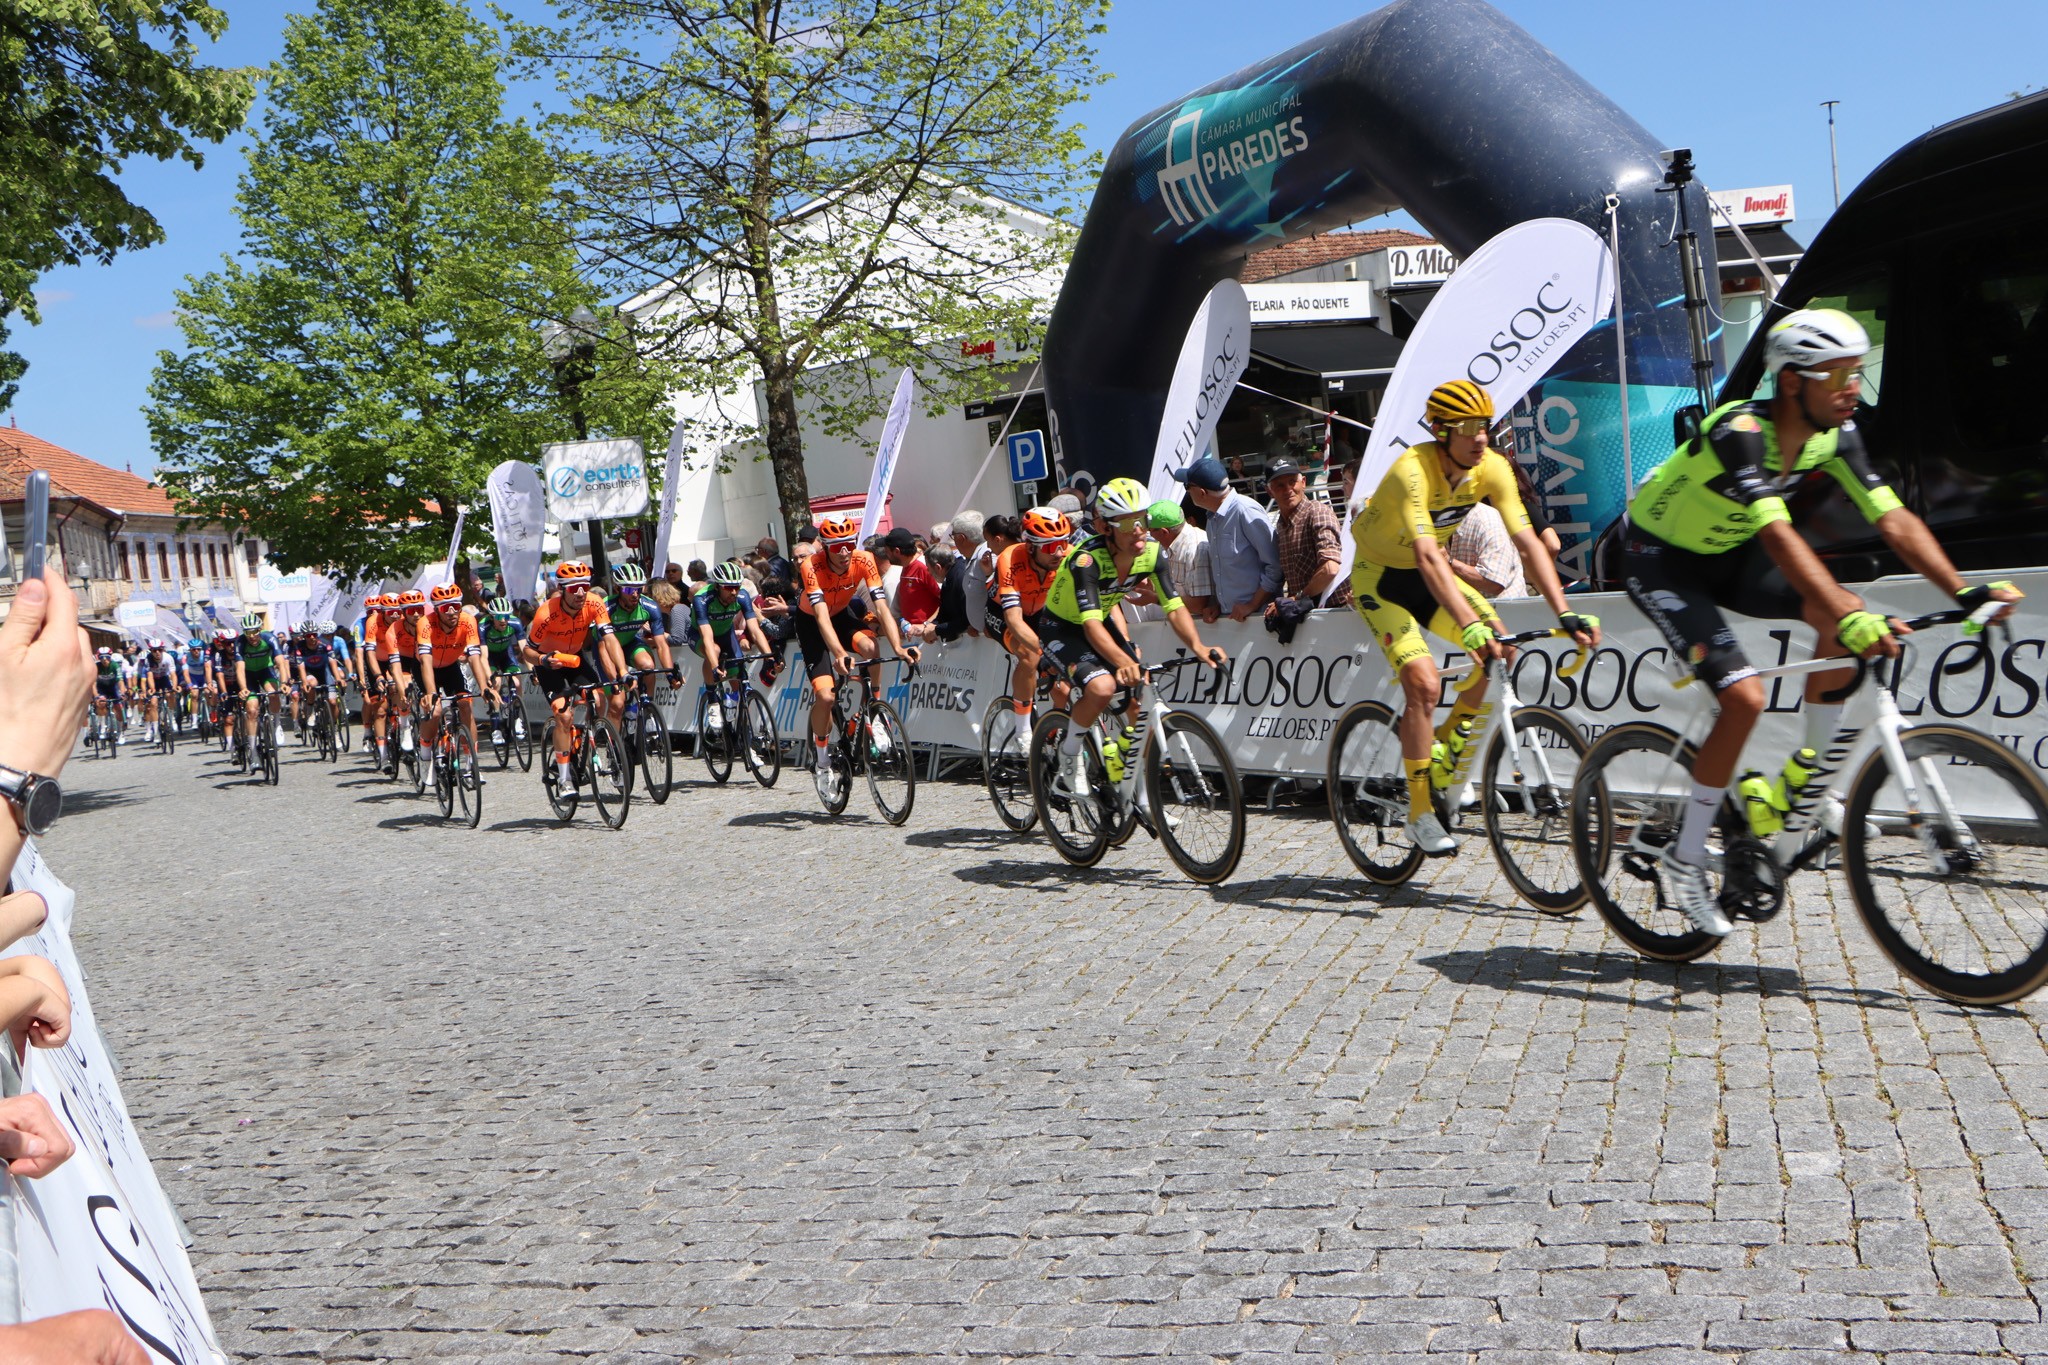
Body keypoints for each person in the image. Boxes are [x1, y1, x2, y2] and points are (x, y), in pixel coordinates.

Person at [1619, 307, 2020, 934]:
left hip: (1727, 555)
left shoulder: (1837, 433)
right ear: (1792, 382)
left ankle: (1806, 782)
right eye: (1837, 375)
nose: (1853, 388)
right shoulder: (1741, 431)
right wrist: (1840, 608)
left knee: (1844, 613)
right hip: (1660, 560)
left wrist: (1965, 591)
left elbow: (1893, 517)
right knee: (1745, 697)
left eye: (1857, 373)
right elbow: (1777, 533)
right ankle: (1686, 856)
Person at [1348, 378, 1599, 859]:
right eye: (1466, 428)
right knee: (1425, 684)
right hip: (1382, 579)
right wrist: (1468, 623)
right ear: (1440, 432)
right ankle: (1419, 812)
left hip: (1429, 576)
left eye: (1484, 426)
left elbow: (1528, 544)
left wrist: (1564, 611)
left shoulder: (1493, 467)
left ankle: (1445, 748)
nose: (1480, 437)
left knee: (1502, 649)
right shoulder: (1411, 471)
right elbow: (1428, 557)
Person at [1034, 478, 1230, 803]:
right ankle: (1069, 757)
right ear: (1104, 527)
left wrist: (1199, 647)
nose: (1138, 530)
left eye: (1143, 519)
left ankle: (1138, 795)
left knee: (1142, 704)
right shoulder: (1087, 561)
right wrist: (1124, 661)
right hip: (1063, 627)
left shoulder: (1152, 554)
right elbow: (1090, 624)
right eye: (1127, 523)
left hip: (1099, 622)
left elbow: (1174, 606)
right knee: (1101, 688)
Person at [793, 516, 921, 800]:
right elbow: (820, 616)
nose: (844, 552)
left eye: (849, 545)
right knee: (826, 697)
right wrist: (839, 654)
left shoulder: (864, 559)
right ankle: (822, 762)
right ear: (825, 548)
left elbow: (881, 607)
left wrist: (898, 647)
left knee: (872, 647)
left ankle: (875, 710)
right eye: (836, 547)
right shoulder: (811, 566)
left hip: (841, 616)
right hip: (811, 623)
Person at [518, 561, 615, 795]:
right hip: (549, 663)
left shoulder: (594, 602)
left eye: (585, 586)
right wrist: (543, 660)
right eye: (573, 588)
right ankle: (564, 779)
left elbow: (609, 638)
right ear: (562, 589)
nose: (580, 592)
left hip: (574, 659)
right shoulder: (546, 613)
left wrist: (622, 671)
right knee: (563, 715)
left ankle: (580, 742)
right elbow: (527, 651)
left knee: (598, 700)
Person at [984, 507, 1070, 751]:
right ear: (1031, 546)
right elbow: (1013, 618)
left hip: (1039, 612)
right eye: (1051, 547)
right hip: (1004, 613)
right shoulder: (1010, 558)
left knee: (1063, 691)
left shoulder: (1070, 556)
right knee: (1029, 655)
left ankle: (1055, 733)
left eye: (1063, 543)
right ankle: (1023, 731)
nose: (1060, 552)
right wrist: (1043, 652)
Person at [1173, 454, 1281, 622]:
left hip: (1259, 619)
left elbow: (1275, 566)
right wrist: (1218, 604)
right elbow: (1224, 572)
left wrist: (1252, 605)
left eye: (1187, 486)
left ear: (1201, 492)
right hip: (1234, 619)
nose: (1186, 491)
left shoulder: (1245, 510)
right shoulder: (1213, 518)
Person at [689, 561, 775, 726]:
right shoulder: (703, 599)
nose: (734, 592)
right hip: (699, 635)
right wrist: (715, 666)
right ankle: (712, 699)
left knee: (738, 677)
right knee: (714, 651)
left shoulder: (742, 596)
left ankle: (738, 718)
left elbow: (755, 630)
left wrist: (769, 657)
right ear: (717, 586)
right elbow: (707, 636)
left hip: (725, 634)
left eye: (737, 586)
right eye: (728, 588)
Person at [415, 582, 488, 765]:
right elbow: (426, 661)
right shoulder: (425, 623)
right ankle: (425, 755)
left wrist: (484, 687)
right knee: (435, 711)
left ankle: (471, 763)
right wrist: (432, 693)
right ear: (436, 610)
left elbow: (474, 657)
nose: (451, 612)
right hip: (427, 668)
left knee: (465, 704)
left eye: (455, 606)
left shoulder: (468, 621)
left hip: (450, 667)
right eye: (445, 608)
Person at [601, 563, 677, 732]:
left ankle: (647, 707)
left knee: (648, 665)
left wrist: (670, 673)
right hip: (606, 649)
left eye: (638, 589)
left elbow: (661, 644)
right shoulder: (606, 608)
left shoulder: (649, 606)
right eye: (629, 590)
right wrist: (616, 678)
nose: (635, 594)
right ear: (618, 589)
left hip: (630, 643)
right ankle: (615, 745)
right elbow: (602, 648)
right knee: (617, 703)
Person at [1267, 457, 1349, 609]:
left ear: (1303, 482)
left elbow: (1330, 568)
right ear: (1269, 491)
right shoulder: (1281, 524)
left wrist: (1296, 598)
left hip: (1335, 610)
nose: (1288, 489)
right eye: (1280, 485)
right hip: (1310, 613)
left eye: (1292, 482)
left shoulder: (1317, 512)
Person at [1144, 501, 1214, 620]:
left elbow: (1198, 605)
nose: (1148, 535)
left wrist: (1156, 598)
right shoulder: (1174, 541)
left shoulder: (1195, 550)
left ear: (1164, 532)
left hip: (1207, 627)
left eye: (1149, 531)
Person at [233, 611, 290, 756]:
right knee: (252, 710)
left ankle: (277, 724)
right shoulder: (240, 642)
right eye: (248, 632)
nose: (252, 636)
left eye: (255, 632)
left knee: (273, 693)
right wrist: (243, 688)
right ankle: (253, 751)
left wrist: (284, 682)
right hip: (249, 675)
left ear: (260, 629)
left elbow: (281, 663)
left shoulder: (269, 638)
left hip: (265, 670)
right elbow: (240, 668)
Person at [1446, 502, 1526, 599]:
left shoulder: (1486, 520)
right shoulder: (1436, 524)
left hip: (1504, 605)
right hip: (1465, 605)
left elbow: (1493, 584)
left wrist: (1447, 560)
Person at [881, 527, 942, 639]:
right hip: (915, 637)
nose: (886, 554)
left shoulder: (923, 567)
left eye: (887, 551)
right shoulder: (906, 566)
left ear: (897, 551)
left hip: (930, 638)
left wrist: (926, 624)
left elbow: (946, 599)